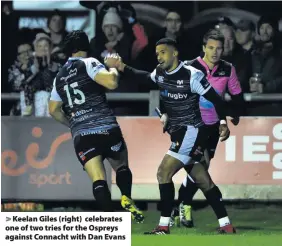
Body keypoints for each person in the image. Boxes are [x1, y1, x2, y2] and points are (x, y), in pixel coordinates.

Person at [105, 38, 236, 234]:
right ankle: (227, 225)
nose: (158, 56)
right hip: (180, 133)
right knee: (203, 180)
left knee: (163, 172)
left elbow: (217, 100)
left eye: (163, 52)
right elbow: (143, 78)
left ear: (175, 53)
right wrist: (121, 66)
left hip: (192, 131)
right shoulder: (160, 73)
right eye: (157, 53)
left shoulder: (192, 75)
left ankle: (163, 226)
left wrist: (223, 123)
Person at [48, 30, 144, 222]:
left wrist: (73, 124)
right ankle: (126, 197)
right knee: (122, 167)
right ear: (86, 46)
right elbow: (111, 82)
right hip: (106, 127)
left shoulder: (58, 76)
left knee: (98, 179)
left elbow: (53, 110)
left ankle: (110, 221)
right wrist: (113, 67)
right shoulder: (90, 62)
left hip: (82, 134)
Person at [170, 29, 244, 228]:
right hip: (192, 125)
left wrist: (235, 113)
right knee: (199, 167)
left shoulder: (228, 69)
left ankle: (180, 205)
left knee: (202, 169)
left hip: (213, 126)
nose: (214, 52)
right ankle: (184, 207)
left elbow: (237, 94)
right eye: (211, 48)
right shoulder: (190, 67)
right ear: (203, 48)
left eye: (219, 48)